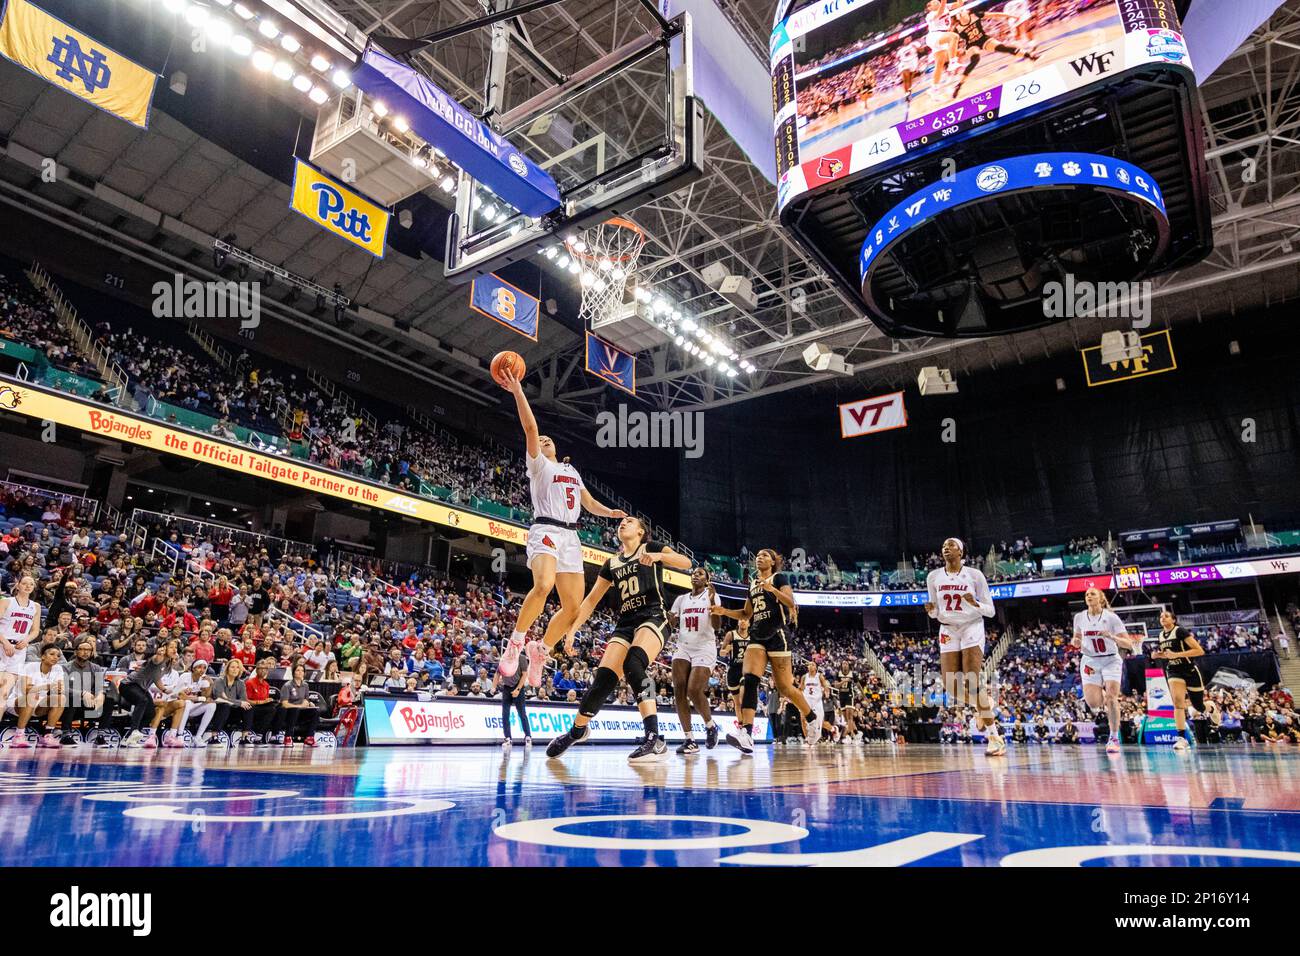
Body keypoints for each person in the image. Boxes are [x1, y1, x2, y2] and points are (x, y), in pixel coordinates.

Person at [495, 366, 626, 680]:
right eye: (540, 440)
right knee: (543, 585)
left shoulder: (571, 471)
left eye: (548, 439)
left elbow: (588, 502)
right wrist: (517, 391)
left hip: (571, 537)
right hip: (547, 528)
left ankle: (541, 648)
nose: (544, 439)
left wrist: (608, 513)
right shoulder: (538, 465)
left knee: (573, 609)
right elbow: (529, 427)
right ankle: (515, 642)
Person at [547, 516, 692, 762]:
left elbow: (686, 561)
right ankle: (577, 731)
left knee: (633, 664)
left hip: (655, 615)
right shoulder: (611, 563)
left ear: (641, 532)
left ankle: (654, 737)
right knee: (603, 679)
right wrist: (571, 630)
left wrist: (660, 557)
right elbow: (591, 601)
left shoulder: (652, 548)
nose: (624, 523)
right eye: (622, 521)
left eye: (630, 521)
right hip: (626, 622)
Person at [727, 549, 818, 755]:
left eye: (765, 555)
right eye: (757, 555)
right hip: (757, 635)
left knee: (785, 688)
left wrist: (771, 589)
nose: (760, 557)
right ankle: (746, 733)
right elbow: (746, 613)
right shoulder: (752, 583)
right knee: (749, 679)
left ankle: (811, 718)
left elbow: (790, 602)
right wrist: (723, 611)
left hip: (777, 635)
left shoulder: (779, 578)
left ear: (773, 561)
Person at [925, 538, 1002, 755]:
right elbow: (935, 611)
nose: (946, 548)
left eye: (951, 545)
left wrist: (975, 603)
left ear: (961, 551)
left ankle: (994, 737)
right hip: (948, 628)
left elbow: (991, 611)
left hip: (971, 626)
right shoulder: (934, 577)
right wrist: (931, 611)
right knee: (951, 686)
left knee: (971, 679)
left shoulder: (975, 575)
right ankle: (984, 704)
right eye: (943, 546)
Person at [668, 567, 739, 754]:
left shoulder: (712, 596)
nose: (695, 575)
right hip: (683, 646)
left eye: (700, 573)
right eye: (693, 573)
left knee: (693, 690)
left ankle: (710, 726)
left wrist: (714, 606)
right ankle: (689, 739)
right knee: (679, 689)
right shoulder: (681, 599)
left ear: (707, 580)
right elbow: (672, 624)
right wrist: (668, 616)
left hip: (704, 647)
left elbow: (716, 626)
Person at [1071, 587, 1137, 755]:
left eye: (1092, 593)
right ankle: (1099, 688)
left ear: (1100, 598)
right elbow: (1076, 637)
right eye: (1086, 594)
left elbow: (1128, 644)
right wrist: (1076, 641)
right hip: (1090, 660)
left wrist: (1111, 637)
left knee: (1111, 697)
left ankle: (1114, 737)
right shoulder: (1079, 617)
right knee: (1093, 703)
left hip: (1110, 659)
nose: (1088, 596)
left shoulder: (1111, 618)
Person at [1151, 609, 1206, 752]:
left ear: (1173, 620)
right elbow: (1169, 656)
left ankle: (1210, 708)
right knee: (1178, 702)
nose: (1163, 618)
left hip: (1190, 670)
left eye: (1166, 616)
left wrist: (1176, 654)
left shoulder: (1180, 631)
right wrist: (1159, 655)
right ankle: (1181, 738)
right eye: (1161, 616)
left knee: (1199, 706)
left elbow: (1199, 651)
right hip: (1174, 670)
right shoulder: (1161, 635)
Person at [119, 638, 180, 748]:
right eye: (171, 647)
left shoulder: (167, 664)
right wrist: (158, 653)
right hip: (128, 685)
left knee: (150, 714)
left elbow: (156, 679)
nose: (174, 650)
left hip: (141, 688)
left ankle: (128, 739)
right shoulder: (159, 658)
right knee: (143, 700)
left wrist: (166, 690)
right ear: (164, 648)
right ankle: (134, 731)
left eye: (176, 647)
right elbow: (156, 659)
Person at [10, 643, 67, 748]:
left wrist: (60, 688)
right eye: (52, 654)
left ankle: (47, 735)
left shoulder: (58, 669)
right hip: (17, 702)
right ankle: (18, 735)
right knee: (32, 696)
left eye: (58, 656)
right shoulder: (30, 667)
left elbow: (60, 689)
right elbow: (26, 689)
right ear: (43, 656)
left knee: (61, 698)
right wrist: (48, 686)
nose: (55, 657)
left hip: (38, 704)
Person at [0, 573, 40, 710]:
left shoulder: (36, 606)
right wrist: (5, 643)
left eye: (31, 584)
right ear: (18, 585)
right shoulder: (6, 601)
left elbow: (35, 631)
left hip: (18, 650)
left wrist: (26, 640)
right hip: (2, 646)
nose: (28, 586)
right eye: (25, 583)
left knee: (3, 695)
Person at [493, 642, 533, 751]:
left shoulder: (522, 658)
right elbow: (497, 674)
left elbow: (524, 675)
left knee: (522, 713)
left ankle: (528, 736)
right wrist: (493, 687)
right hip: (506, 687)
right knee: (505, 714)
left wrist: (518, 689)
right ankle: (507, 738)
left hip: (518, 687)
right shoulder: (504, 659)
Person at [276, 662, 319, 746]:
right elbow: (284, 704)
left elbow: (306, 699)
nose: (300, 672)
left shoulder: (305, 685)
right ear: (293, 672)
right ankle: (288, 737)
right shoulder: (287, 685)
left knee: (315, 711)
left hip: (301, 711)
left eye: (302, 671)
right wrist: (299, 706)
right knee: (294, 710)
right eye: (298, 670)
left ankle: (309, 737)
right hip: (289, 712)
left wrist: (308, 703)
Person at [719, 617, 750, 725]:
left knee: (743, 698)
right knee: (737, 703)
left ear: (749, 623)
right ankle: (741, 725)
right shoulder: (731, 634)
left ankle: (747, 725)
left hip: (745, 670)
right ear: (738, 622)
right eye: (741, 619)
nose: (743, 621)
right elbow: (721, 653)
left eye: (745, 620)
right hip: (733, 670)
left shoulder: (752, 636)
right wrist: (726, 650)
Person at [802, 658, 834, 745]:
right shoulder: (804, 677)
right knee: (803, 719)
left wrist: (827, 691)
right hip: (807, 701)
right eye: (809, 664)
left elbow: (825, 685)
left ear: (816, 668)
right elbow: (800, 688)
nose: (810, 665)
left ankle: (833, 729)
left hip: (817, 702)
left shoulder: (819, 676)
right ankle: (807, 740)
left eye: (812, 664)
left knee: (820, 723)